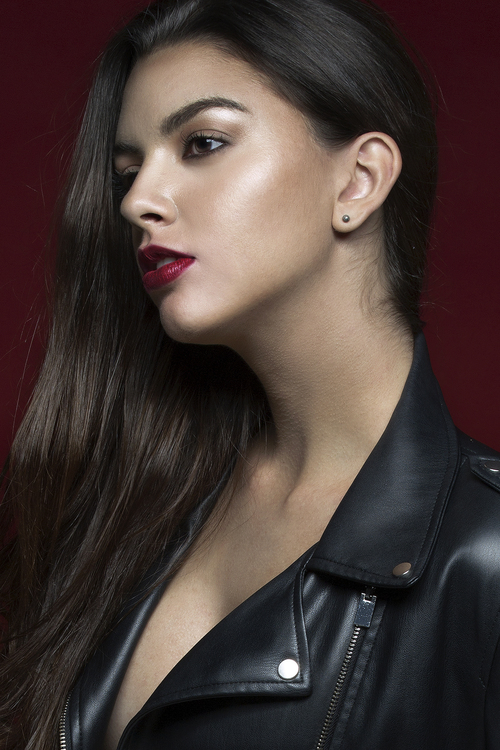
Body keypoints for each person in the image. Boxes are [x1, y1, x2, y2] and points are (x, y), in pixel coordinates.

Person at [1, 0, 499, 748]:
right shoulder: (129, 497)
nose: (137, 202)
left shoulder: (484, 555)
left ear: (359, 180)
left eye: (202, 143)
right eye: (127, 173)